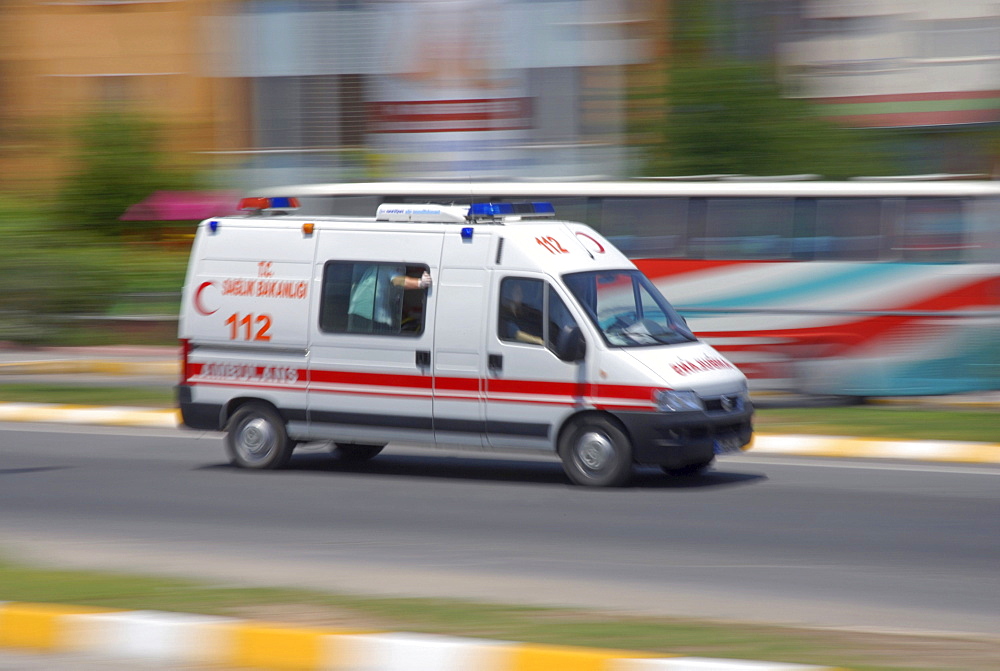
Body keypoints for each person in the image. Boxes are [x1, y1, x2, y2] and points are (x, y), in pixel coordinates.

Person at [348, 264, 431, 333]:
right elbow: (398, 281)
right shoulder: (389, 266)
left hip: (359, 312)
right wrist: (420, 283)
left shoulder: (376, 267)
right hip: (369, 315)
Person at [500, 280, 543, 345]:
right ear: (511, 294)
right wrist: (539, 341)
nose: (521, 295)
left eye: (521, 292)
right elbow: (517, 334)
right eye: (517, 292)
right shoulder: (505, 314)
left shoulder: (525, 311)